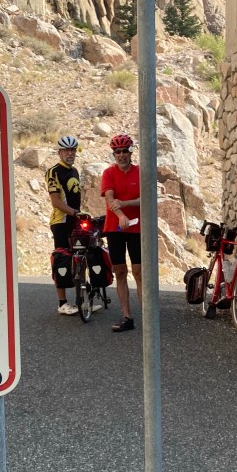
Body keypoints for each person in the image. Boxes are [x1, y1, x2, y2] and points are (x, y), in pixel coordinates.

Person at [101, 134, 142, 332]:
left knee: (139, 272)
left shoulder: (140, 172)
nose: (121, 155)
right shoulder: (108, 173)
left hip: (137, 228)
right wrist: (121, 215)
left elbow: (146, 199)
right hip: (114, 228)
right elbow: (110, 198)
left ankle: (148, 316)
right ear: (114, 154)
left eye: (125, 151)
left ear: (131, 152)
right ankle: (127, 316)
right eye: (117, 152)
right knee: (120, 271)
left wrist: (126, 204)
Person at [47, 135, 84, 315]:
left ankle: (82, 300)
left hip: (74, 222)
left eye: (73, 150)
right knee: (61, 259)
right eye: (66, 150)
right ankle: (62, 303)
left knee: (81, 258)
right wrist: (74, 213)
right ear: (60, 152)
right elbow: (56, 201)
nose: (70, 153)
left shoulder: (75, 171)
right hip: (61, 222)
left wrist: (79, 214)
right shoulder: (54, 171)